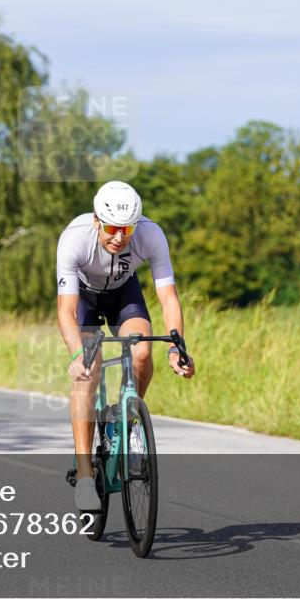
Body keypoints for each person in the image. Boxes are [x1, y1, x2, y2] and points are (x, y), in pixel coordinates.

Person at [56, 181, 195, 510]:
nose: (120, 237)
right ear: (97, 220)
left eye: (127, 228)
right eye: (113, 228)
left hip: (123, 294)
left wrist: (177, 347)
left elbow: (168, 297)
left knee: (142, 351)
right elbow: (65, 310)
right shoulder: (75, 238)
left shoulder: (151, 234)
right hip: (84, 299)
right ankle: (86, 475)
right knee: (88, 372)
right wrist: (78, 354)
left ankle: (129, 424)